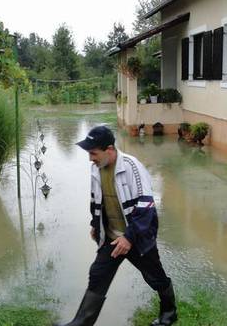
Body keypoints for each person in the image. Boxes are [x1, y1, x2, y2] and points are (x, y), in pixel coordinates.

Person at [56, 125, 177, 326]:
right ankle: (81, 322)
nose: (90, 158)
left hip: (137, 239)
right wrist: (96, 224)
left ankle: (169, 313)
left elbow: (146, 207)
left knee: (155, 277)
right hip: (111, 238)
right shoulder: (96, 168)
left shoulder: (132, 167)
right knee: (98, 275)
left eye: (93, 153)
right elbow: (97, 200)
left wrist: (129, 238)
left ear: (109, 149)